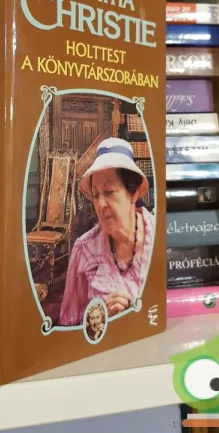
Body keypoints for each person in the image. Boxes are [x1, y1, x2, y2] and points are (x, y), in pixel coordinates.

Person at [58, 137, 154, 326]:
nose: (101, 204)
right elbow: (69, 324)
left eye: (109, 192)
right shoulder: (84, 250)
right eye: (96, 195)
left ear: (133, 193)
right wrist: (102, 322)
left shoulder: (160, 238)